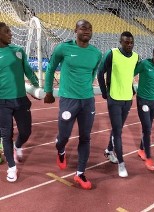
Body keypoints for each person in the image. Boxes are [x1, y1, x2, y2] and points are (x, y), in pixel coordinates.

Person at [44, 20, 102, 189]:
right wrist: (48, 91)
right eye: (83, 28)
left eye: (90, 28)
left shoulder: (96, 53)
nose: (87, 31)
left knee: (85, 137)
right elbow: (50, 68)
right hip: (68, 100)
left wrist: (86, 89)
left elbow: (92, 73)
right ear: (75, 30)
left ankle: (80, 173)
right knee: (63, 137)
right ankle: (61, 150)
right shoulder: (63, 48)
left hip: (88, 101)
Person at [0, 22, 39, 182]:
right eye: (7, 31)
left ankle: (18, 146)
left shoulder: (18, 51)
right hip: (2, 102)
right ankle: (11, 168)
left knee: (26, 132)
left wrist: (37, 86)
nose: (11, 33)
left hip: (21, 100)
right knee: (5, 135)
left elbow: (28, 71)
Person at [97, 31, 140, 177]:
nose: (129, 45)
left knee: (118, 128)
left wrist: (132, 89)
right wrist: (104, 92)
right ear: (120, 42)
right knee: (118, 132)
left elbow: (129, 74)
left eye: (131, 42)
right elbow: (100, 72)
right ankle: (121, 163)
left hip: (128, 99)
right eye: (126, 42)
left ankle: (109, 150)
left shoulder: (136, 57)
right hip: (114, 98)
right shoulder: (112, 53)